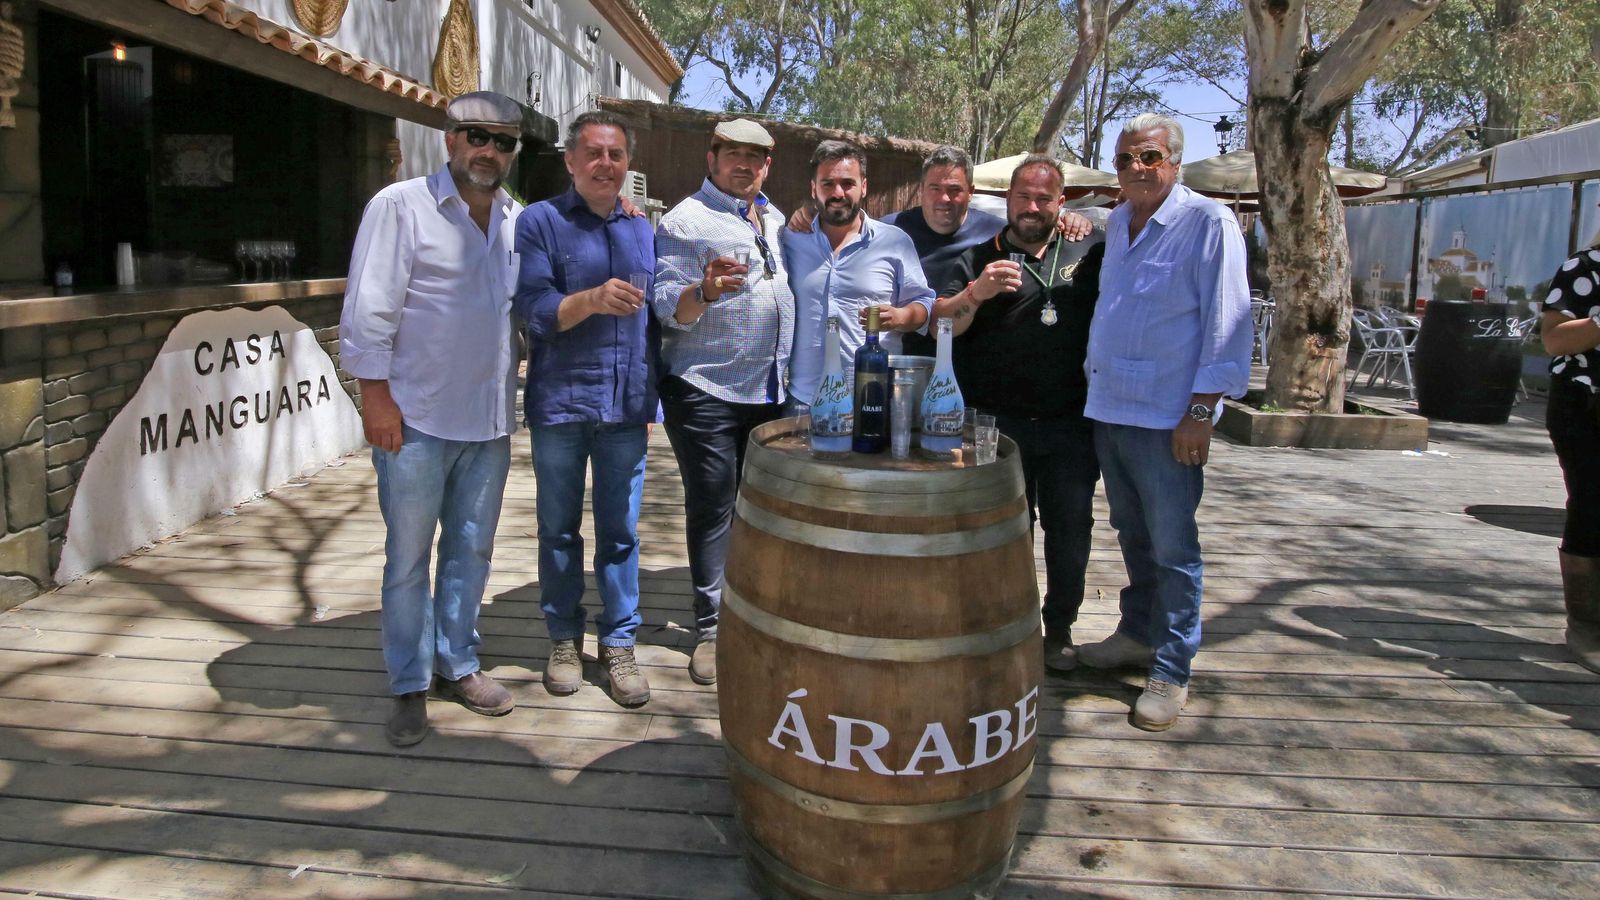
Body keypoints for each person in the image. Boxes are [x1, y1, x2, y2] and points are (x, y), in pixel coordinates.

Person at [339, 91, 525, 747]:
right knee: (408, 558)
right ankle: (409, 684)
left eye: (503, 141)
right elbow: (369, 311)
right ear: (450, 140)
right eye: (477, 135)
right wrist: (375, 398)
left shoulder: (513, 218)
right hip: (414, 418)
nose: (489, 150)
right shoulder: (399, 208)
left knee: (470, 552)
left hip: (489, 421)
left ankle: (458, 662)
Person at [1066, 113, 1252, 731]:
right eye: (1126, 160)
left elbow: (1229, 324)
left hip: (1170, 418)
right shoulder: (1117, 222)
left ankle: (1172, 667)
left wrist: (1202, 411)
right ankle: (1137, 634)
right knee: (1132, 533)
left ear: (1174, 160)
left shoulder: (1208, 223)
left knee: (1174, 547)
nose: (1137, 170)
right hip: (1111, 409)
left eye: (1149, 157)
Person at [933, 154, 1105, 660]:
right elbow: (944, 322)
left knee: (1070, 529)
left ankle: (1060, 629)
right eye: (1023, 197)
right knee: (1003, 530)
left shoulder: (1089, 245)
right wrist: (977, 292)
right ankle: (1005, 622)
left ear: (1062, 202)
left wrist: (1091, 220)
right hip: (994, 424)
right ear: (1007, 200)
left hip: (1070, 421)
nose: (1032, 207)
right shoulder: (976, 256)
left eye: (1044, 198)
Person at [514, 110, 659, 707]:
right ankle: (564, 638)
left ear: (628, 166)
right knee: (558, 529)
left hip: (626, 404)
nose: (606, 164)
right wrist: (594, 299)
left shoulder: (642, 228)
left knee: (621, 533)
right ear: (571, 162)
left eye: (616, 155)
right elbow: (536, 311)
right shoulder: (540, 223)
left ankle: (619, 643)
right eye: (594, 154)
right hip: (562, 402)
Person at [651, 118, 794, 686]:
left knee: (758, 507)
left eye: (755, 158)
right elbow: (666, 306)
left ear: (768, 167)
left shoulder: (778, 217)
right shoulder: (685, 220)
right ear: (711, 159)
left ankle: (754, 611)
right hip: (706, 389)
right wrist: (704, 291)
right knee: (714, 506)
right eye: (733, 155)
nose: (744, 166)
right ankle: (711, 629)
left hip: (770, 389)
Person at [783, 139, 934, 406]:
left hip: (873, 399)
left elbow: (924, 304)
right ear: (813, 188)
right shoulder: (791, 239)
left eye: (847, 184)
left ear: (863, 187)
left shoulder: (895, 242)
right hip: (805, 399)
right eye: (827, 183)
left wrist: (900, 316)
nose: (838, 193)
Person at [1538, 228, 1600, 674]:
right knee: (1593, 503)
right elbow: (1554, 340)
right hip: (1584, 403)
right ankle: (1586, 625)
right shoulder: (1584, 268)